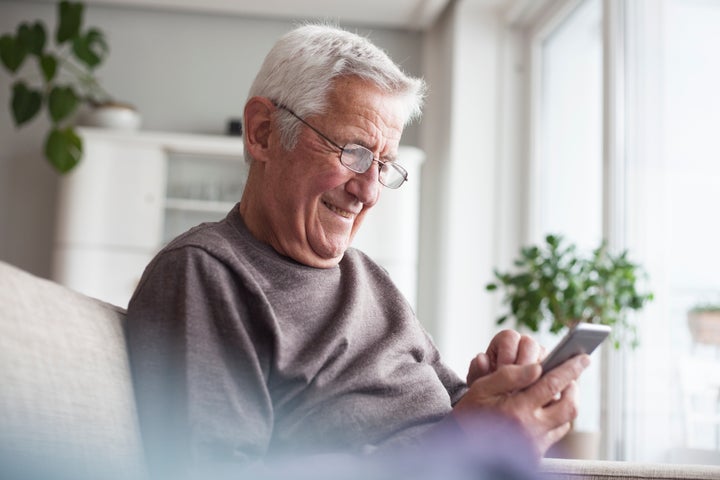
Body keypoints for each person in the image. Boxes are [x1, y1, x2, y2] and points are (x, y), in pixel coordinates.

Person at [126, 24, 589, 479]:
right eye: (354, 152)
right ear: (263, 132)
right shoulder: (207, 274)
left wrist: (498, 393)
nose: (369, 192)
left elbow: (452, 412)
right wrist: (465, 441)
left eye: (384, 164)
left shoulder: (367, 277)